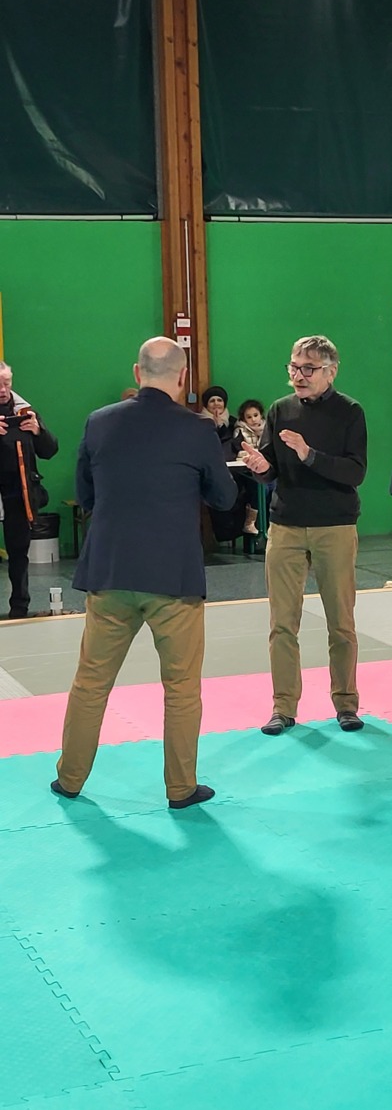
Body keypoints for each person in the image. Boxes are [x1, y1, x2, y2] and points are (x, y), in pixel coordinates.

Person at [51, 338, 237, 808]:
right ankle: (181, 787)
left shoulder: (99, 421)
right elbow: (224, 498)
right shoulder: (197, 429)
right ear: (183, 376)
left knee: (91, 682)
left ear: (137, 373)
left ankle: (70, 779)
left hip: (110, 569)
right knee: (181, 689)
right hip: (173, 578)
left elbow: (85, 494)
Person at [241, 334, 367, 735]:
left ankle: (346, 703)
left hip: (335, 526)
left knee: (341, 622)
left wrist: (309, 454)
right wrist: (260, 466)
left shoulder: (350, 412)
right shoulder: (280, 410)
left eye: (308, 368)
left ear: (331, 371)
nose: (298, 375)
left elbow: (355, 472)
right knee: (282, 623)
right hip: (286, 525)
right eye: (294, 367)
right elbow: (271, 470)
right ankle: (283, 707)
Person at [0, 361, 58, 618]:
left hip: (18, 493)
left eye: (7, 383)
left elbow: (50, 450)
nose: (3, 390)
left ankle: (19, 607)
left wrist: (38, 431)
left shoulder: (26, 411)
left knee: (18, 553)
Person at [233, 399, 267, 535]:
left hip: (266, 469)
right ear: (243, 419)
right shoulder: (240, 431)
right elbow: (239, 451)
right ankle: (250, 522)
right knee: (257, 487)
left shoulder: (268, 429)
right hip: (247, 471)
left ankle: (269, 524)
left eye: (256, 415)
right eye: (249, 417)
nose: (253, 419)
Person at [200, 385, 237, 459]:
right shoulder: (199, 422)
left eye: (219, 400)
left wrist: (221, 426)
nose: (216, 403)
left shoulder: (233, 422)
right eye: (212, 401)